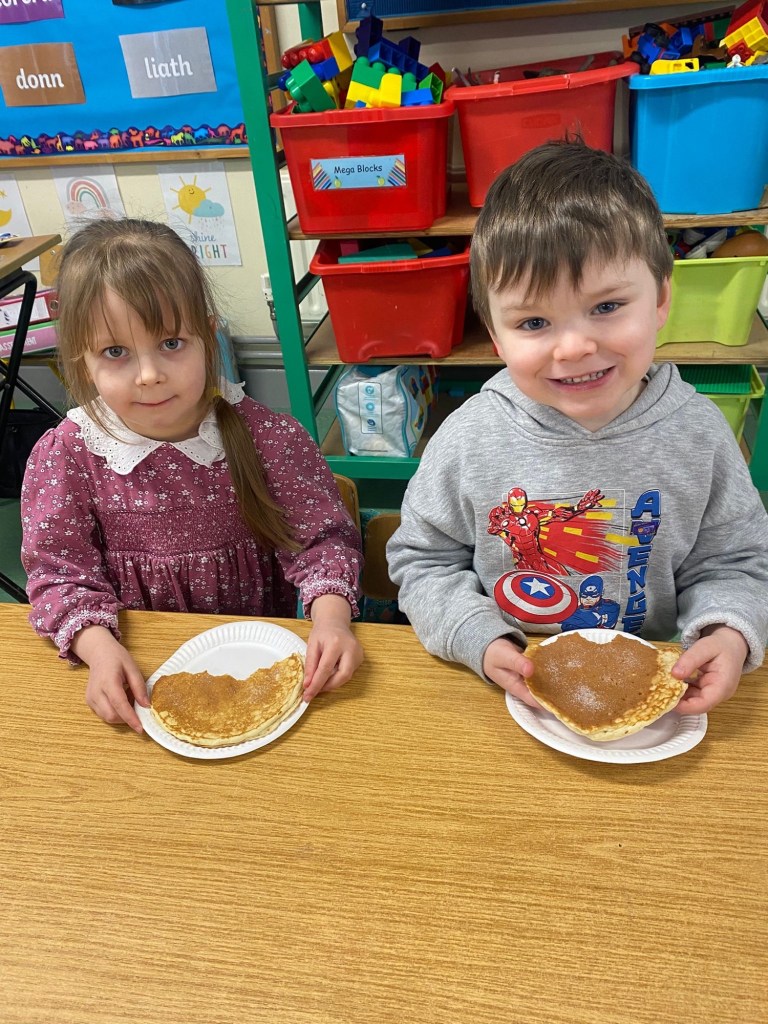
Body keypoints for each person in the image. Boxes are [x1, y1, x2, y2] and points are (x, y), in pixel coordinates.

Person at [387, 138, 768, 716]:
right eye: (533, 322)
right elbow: (423, 561)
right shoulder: (468, 438)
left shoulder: (700, 434)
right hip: (503, 692)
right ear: (495, 337)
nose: (574, 348)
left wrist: (730, 631)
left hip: (653, 696)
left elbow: (735, 562)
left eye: (606, 307)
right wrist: (477, 636)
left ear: (661, 300)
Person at [21, 218, 363, 733]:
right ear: (82, 359)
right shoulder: (67, 456)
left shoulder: (267, 436)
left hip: (261, 664)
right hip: (141, 663)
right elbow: (58, 574)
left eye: (171, 343)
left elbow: (322, 544)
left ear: (207, 333)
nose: (149, 375)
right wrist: (98, 650)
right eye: (115, 352)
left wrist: (333, 620)